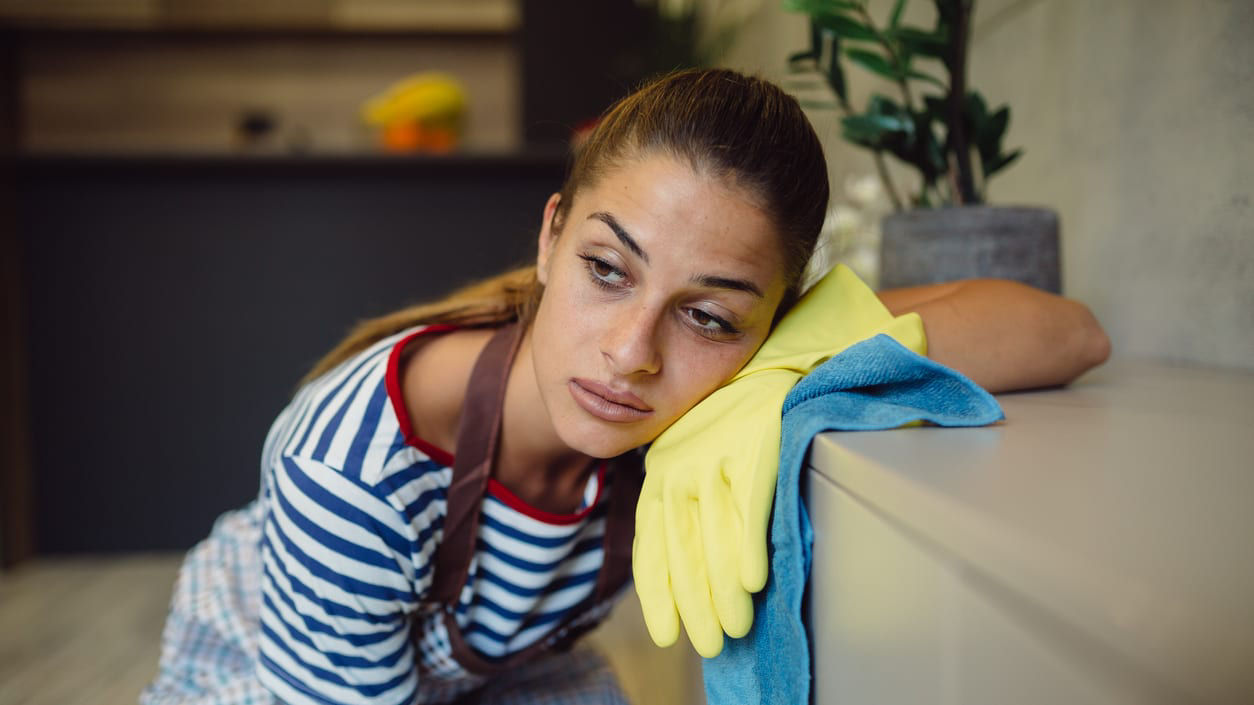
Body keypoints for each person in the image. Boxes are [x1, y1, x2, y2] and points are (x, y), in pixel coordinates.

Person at [141, 68, 1110, 705]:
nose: (632, 354)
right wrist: (735, 342)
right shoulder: (360, 469)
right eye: (609, 269)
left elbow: (1064, 330)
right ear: (552, 234)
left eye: (709, 314)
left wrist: (778, 366)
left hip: (500, 678)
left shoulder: (737, 366)